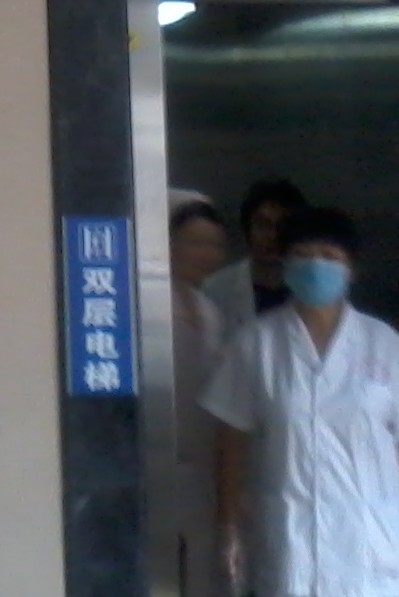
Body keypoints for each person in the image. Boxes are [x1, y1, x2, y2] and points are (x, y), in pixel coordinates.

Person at [200, 207, 399, 597]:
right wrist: (229, 526)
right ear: (284, 265)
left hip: (371, 546)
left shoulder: (385, 346)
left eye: (329, 256)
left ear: (351, 270)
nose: (316, 266)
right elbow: (232, 442)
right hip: (291, 544)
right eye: (303, 255)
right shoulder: (255, 345)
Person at [169, 189, 231, 597]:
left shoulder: (211, 312)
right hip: (161, 463)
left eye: (215, 245)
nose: (207, 254)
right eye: (195, 242)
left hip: (204, 471)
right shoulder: (144, 306)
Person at [200, 178, 307, 336]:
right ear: (247, 229)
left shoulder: (311, 287)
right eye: (263, 224)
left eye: (282, 226)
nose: (272, 235)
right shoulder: (215, 289)